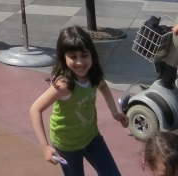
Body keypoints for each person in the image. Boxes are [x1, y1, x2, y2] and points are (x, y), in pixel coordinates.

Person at [29, 26, 128, 176]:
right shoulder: (64, 85)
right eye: (73, 56)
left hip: (91, 137)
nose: (80, 62)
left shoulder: (93, 75)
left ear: (92, 55)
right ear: (64, 57)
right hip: (67, 145)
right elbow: (35, 109)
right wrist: (45, 147)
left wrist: (114, 112)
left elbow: (103, 86)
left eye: (84, 55)